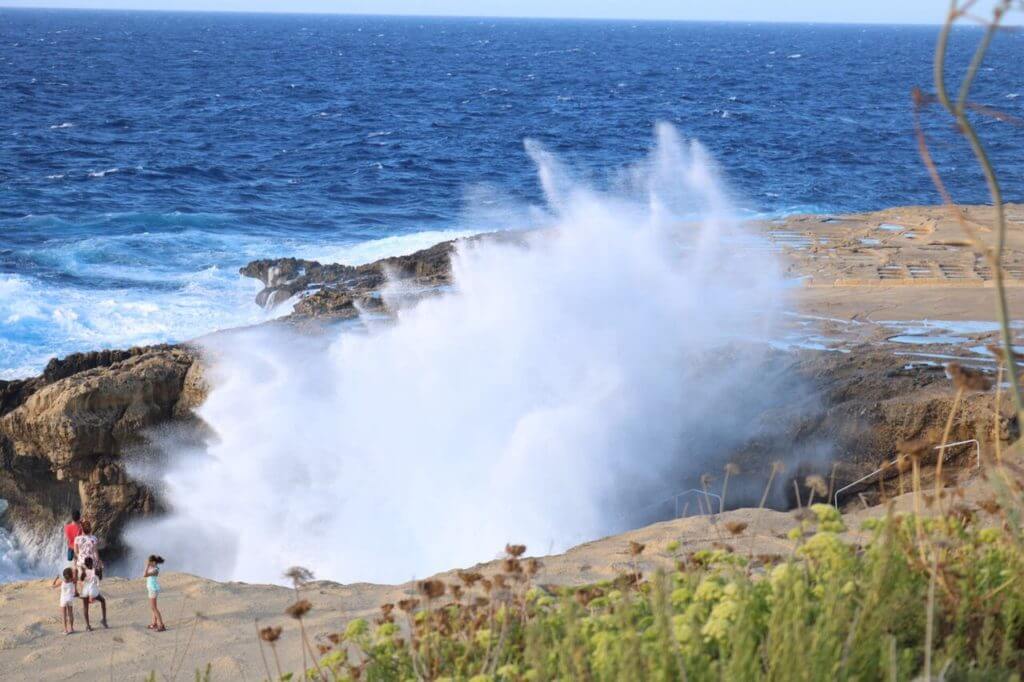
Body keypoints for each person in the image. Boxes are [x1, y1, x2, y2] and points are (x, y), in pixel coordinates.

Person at [78, 556, 108, 631]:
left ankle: (88, 626)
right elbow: (100, 578)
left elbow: (81, 579)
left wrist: (83, 571)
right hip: (93, 591)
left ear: (85, 564)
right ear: (92, 563)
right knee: (103, 601)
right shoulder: (96, 571)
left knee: (85, 607)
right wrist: (101, 570)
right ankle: (104, 620)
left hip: (85, 590)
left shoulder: (84, 572)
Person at [51, 567, 77, 635]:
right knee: (70, 614)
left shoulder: (62, 581)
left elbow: (53, 586)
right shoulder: (73, 580)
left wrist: (56, 578)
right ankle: (71, 628)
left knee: (64, 615)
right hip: (70, 599)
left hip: (63, 600)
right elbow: (75, 574)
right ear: (71, 574)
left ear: (64, 575)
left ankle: (65, 630)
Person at [144, 555, 165, 632]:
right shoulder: (152, 567)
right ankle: (154, 623)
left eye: (149, 561)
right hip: (151, 588)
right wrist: (148, 565)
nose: (148, 563)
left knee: (154, 608)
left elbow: (145, 575)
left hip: (153, 589)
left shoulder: (155, 570)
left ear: (153, 562)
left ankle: (161, 625)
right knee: (153, 607)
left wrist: (147, 566)